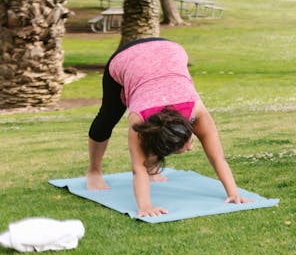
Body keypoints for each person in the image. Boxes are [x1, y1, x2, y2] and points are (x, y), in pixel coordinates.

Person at [85, 38, 249, 218]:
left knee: (155, 134)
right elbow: (138, 169)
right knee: (107, 118)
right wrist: (145, 206)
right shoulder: (139, 120)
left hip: (168, 50)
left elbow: (218, 157)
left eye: (187, 143)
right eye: (185, 147)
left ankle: (153, 169)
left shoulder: (196, 111)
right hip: (127, 58)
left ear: (189, 127)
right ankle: (94, 171)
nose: (192, 147)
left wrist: (233, 193)